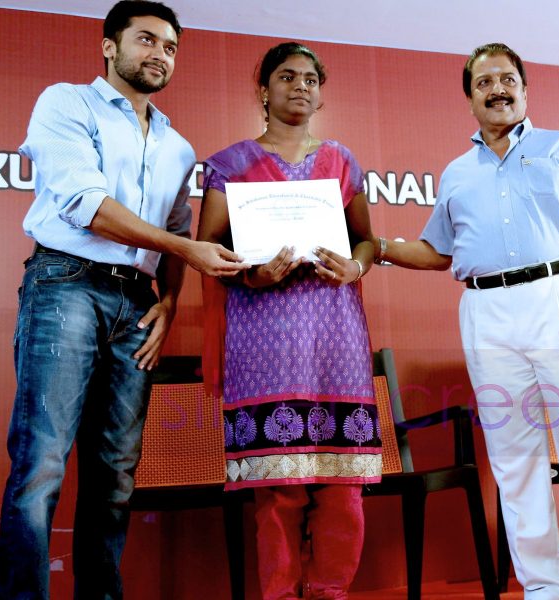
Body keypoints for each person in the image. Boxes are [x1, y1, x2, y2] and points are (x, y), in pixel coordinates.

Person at [0, 1, 248, 598]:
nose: (159, 54)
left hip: (137, 305)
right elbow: (87, 206)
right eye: (146, 40)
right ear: (110, 46)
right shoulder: (65, 102)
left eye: (170, 47)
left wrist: (172, 300)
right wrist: (183, 255)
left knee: (115, 476)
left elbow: (179, 228)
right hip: (66, 285)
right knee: (41, 464)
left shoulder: (179, 146)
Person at [372, 42, 559, 600]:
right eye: (483, 82)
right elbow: (438, 252)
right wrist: (377, 246)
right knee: (514, 457)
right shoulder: (455, 173)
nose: (497, 89)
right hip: (485, 311)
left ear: (525, 88)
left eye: (506, 79)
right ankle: (544, 586)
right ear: (470, 98)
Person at [197, 42, 381, 599]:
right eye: (286, 76)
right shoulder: (229, 165)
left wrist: (356, 266)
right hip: (262, 338)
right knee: (277, 488)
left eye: (310, 79)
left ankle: (330, 592)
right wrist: (253, 274)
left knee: (341, 484)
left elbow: (367, 241)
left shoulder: (342, 162)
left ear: (320, 93)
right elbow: (207, 247)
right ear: (263, 90)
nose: (300, 86)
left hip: (335, 338)